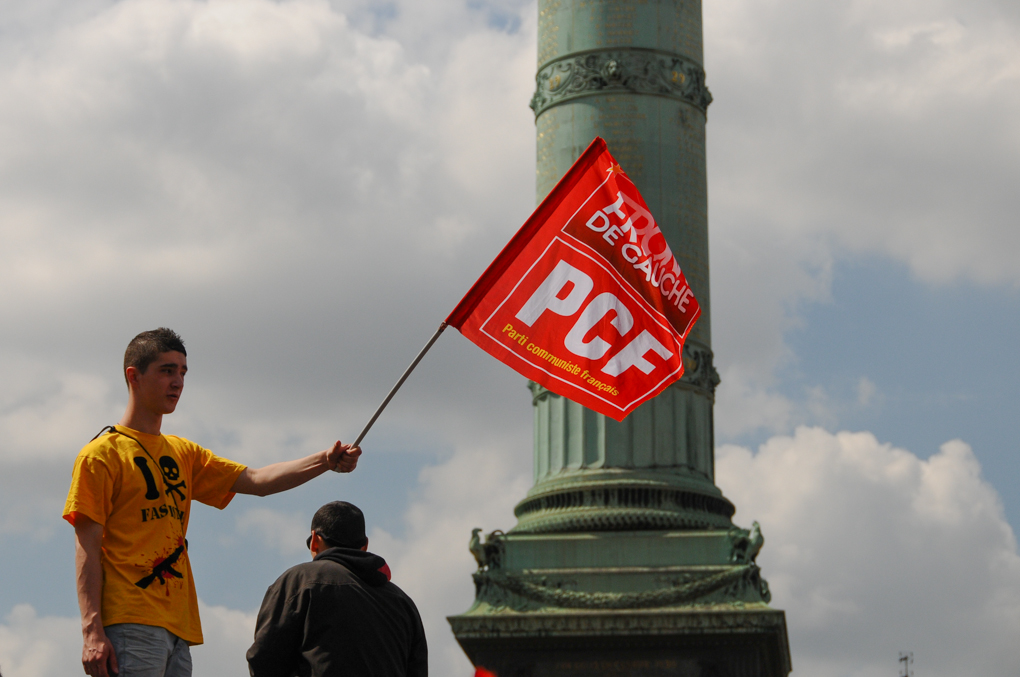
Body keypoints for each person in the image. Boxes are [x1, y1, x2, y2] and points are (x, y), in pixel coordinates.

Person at [63, 328, 362, 677]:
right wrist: (92, 631)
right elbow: (86, 545)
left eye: (183, 372)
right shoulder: (101, 455)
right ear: (134, 376)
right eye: (166, 370)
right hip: (129, 621)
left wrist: (325, 460)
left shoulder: (183, 452)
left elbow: (257, 481)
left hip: (180, 629)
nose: (178, 382)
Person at [247, 501, 427, 677]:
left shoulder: (300, 580)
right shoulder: (403, 603)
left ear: (315, 541)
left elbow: (264, 661)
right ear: (364, 546)